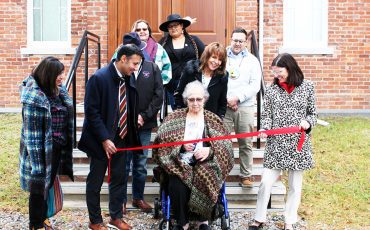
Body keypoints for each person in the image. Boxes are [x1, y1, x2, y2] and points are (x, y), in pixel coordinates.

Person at [78, 44, 144, 230]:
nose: (135, 67)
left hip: (121, 138)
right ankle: (95, 220)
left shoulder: (128, 78)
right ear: (123, 59)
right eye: (134, 63)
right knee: (95, 181)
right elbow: (91, 112)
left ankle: (116, 216)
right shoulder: (98, 78)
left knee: (119, 179)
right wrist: (105, 139)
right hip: (100, 140)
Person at [248, 53, 317, 230]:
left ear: (290, 68)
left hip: (297, 144)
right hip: (276, 144)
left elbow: (313, 113)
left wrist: (308, 122)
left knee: (295, 185)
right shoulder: (271, 91)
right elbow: (266, 115)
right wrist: (263, 129)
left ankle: (289, 220)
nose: (277, 76)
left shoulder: (308, 87)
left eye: (280, 72)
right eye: (274, 73)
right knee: (265, 183)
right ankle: (259, 218)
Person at [153, 81, 234, 230]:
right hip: (179, 161)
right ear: (186, 100)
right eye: (191, 99)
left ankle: (203, 221)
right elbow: (161, 142)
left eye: (199, 99)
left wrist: (210, 151)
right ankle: (183, 223)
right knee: (176, 181)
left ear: (204, 99)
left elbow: (226, 146)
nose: (195, 103)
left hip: (206, 162)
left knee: (206, 175)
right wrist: (180, 146)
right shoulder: (174, 118)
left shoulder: (213, 119)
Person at [19, 56, 74, 230]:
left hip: (55, 147)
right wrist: (37, 165)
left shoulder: (57, 90)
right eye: (58, 73)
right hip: (40, 151)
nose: (62, 77)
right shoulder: (34, 98)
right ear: (48, 74)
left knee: (47, 185)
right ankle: (35, 224)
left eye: (62, 73)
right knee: (38, 187)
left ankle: (42, 218)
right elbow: (32, 135)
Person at [118, 32, 164, 214]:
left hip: (144, 126)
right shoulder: (120, 70)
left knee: (141, 163)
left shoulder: (151, 68)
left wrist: (144, 116)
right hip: (124, 125)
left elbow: (158, 95)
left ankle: (138, 198)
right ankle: (120, 201)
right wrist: (129, 117)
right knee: (123, 163)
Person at [223, 28, 262, 188]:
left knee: (245, 142)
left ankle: (246, 175)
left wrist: (237, 98)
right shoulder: (221, 56)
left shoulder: (253, 61)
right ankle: (221, 173)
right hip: (224, 107)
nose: (237, 43)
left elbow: (255, 85)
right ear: (230, 40)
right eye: (235, 40)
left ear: (246, 42)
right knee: (221, 142)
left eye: (241, 41)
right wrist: (226, 99)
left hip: (244, 106)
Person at [159, 13, 205, 109]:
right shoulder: (163, 43)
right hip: (172, 85)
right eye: (170, 26)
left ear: (182, 26)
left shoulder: (194, 40)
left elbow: (205, 56)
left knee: (194, 109)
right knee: (177, 113)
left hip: (193, 83)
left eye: (176, 25)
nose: (173, 28)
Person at [174, 42, 228, 119]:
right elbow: (178, 95)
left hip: (211, 120)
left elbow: (222, 103)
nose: (216, 62)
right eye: (214, 57)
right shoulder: (190, 70)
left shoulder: (222, 77)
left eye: (220, 59)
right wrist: (181, 115)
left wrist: (219, 119)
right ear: (207, 56)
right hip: (189, 118)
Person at [131, 19, 172, 85]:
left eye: (144, 29)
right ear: (134, 32)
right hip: (132, 88)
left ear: (149, 31)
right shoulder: (126, 47)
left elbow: (167, 67)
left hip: (153, 88)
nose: (142, 31)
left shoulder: (158, 48)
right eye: (138, 30)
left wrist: (158, 83)